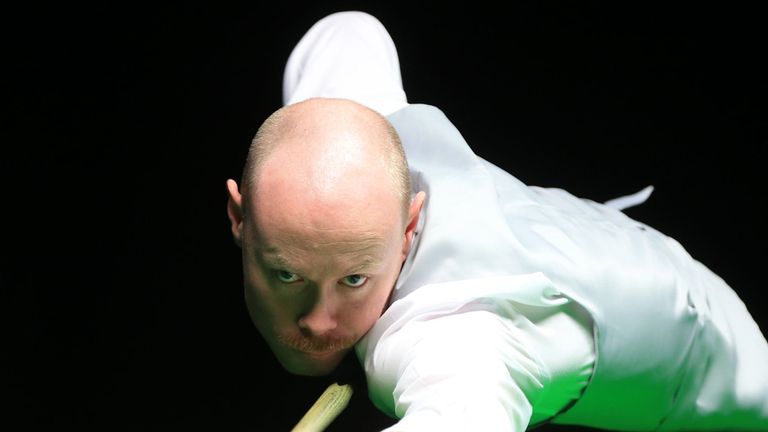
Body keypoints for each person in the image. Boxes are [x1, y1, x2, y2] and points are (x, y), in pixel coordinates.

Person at [224, 10, 768, 431]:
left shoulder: (452, 338)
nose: (319, 323)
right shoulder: (349, 134)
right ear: (239, 216)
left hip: (707, 355)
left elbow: (464, 410)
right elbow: (348, 32)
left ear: (411, 224)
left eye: (354, 279)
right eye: (288, 275)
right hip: (575, 234)